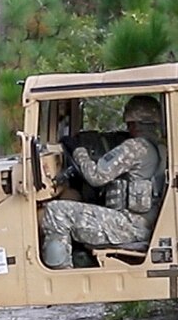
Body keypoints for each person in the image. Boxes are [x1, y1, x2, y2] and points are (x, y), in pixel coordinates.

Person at [41, 95, 165, 269]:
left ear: (133, 123)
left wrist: (77, 150)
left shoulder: (136, 147)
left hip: (129, 227)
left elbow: (95, 176)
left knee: (56, 212)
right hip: (147, 224)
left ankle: (61, 278)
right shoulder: (161, 148)